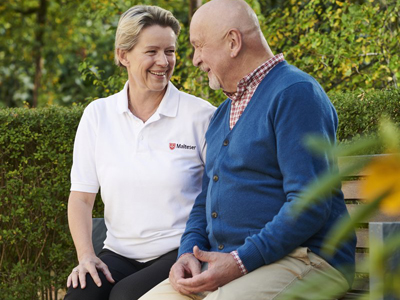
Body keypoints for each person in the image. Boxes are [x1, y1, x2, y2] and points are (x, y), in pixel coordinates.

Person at [139, 0, 356, 299]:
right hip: (231, 261)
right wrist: (188, 252)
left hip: (307, 259)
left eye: (199, 46)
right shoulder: (221, 114)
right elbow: (205, 199)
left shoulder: (295, 93)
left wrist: (239, 262)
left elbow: (309, 203)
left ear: (233, 42)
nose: (194, 59)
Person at [64, 5, 216, 300]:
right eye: (152, 52)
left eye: (169, 51)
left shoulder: (201, 116)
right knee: (81, 295)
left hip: (180, 250)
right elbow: (81, 198)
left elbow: (219, 194)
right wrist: (86, 256)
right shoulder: (97, 115)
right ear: (123, 55)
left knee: (124, 296)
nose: (163, 61)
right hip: (118, 252)